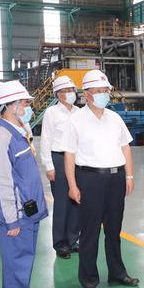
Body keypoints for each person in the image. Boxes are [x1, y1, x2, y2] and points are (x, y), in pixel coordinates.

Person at [62, 69, 138, 288]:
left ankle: (117, 273)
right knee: (90, 233)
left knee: (114, 230)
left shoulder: (114, 118)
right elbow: (69, 155)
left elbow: (125, 147)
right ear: (87, 94)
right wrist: (72, 185)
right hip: (90, 179)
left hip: (116, 179)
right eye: (100, 91)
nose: (105, 94)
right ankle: (89, 280)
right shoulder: (75, 120)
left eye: (106, 90)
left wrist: (129, 176)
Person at [0, 80, 48, 288]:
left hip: (28, 212)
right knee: (17, 265)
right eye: (24, 103)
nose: (28, 107)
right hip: (17, 217)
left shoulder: (16, 131)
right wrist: (10, 221)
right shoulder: (1, 136)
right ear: (9, 106)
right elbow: (1, 182)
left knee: (19, 265)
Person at [40, 75, 80, 259]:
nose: (71, 93)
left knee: (76, 201)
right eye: (66, 91)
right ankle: (60, 243)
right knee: (62, 203)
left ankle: (73, 239)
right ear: (58, 94)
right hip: (59, 158)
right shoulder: (51, 113)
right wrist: (49, 166)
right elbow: (46, 140)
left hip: (78, 160)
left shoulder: (79, 112)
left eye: (72, 90)